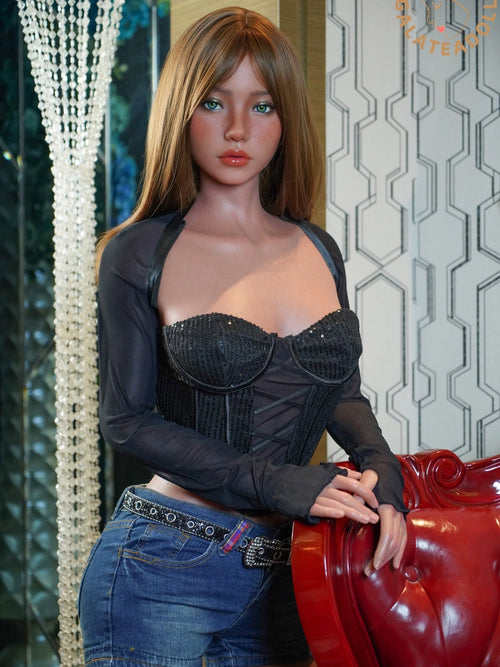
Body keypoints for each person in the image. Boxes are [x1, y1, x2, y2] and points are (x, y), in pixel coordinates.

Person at [78, 7, 408, 667]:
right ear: (181, 111)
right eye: (213, 102)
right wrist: (278, 481)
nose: (237, 128)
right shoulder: (137, 251)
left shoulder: (318, 247)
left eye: (262, 105)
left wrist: (385, 474)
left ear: (285, 120)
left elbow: (339, 390)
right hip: (163, 565)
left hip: (292, 574)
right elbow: (126, 421)